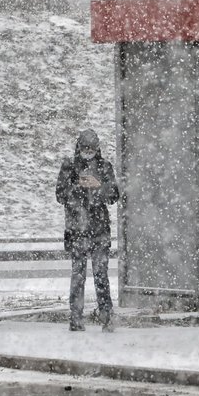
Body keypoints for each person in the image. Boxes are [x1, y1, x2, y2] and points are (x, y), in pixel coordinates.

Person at [56, 129, 120, 332]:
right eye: (84, 148)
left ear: (97, 148)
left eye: (91, 149)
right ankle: (76, 317)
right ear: (79, 147)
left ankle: (106, 316)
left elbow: (114, 195)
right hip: (77, 230)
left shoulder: (104, 167)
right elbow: (60, 194)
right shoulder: (69, 167)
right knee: (78, 276)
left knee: (101, 274)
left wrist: (98, 187)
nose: (87, 152)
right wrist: (78, 186)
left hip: (98, 229)